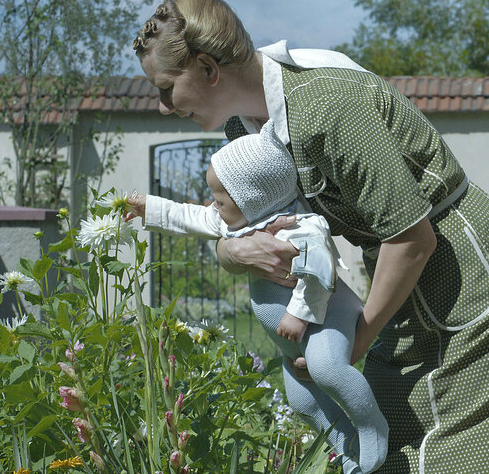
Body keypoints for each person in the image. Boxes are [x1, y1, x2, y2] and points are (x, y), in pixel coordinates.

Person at [132, 0, 489, 473]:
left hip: (475, 280)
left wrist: (353, 344)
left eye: (166, 87)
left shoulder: (329, 108)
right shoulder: (243, 133)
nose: (163, 106)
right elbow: (234, 225)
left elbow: (413, 239)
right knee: (392, 454)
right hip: (399, 285)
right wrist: (234, 255)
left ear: (207, 69)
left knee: (462, 459)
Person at [127, 131, 388, 473]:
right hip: (292, 342)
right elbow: (189, 216)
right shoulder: (238, 223)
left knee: (327, 369)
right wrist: (148, 207)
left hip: (324, 321)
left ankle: (372, 429)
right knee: (302, 401)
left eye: (220, 199)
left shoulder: (301, 226)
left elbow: (320, 271)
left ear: (252, 198)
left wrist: (298, 315)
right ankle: (345, 446)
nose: (212, 205)